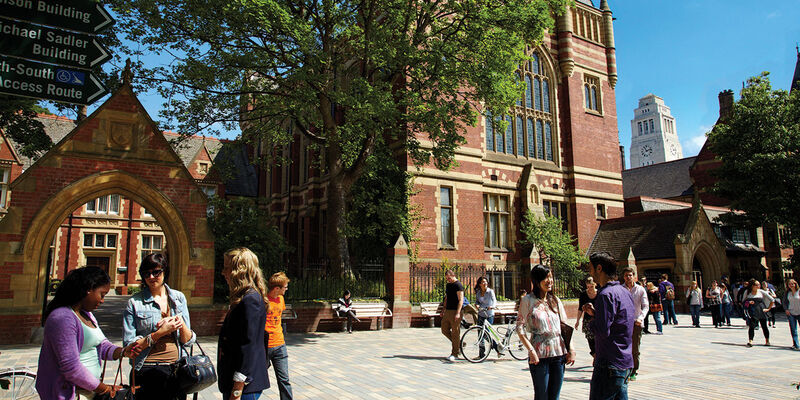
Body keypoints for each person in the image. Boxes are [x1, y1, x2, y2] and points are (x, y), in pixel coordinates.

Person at [37, 267, 139, 400]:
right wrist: (105, 389)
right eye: (102, 294)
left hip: (89, 392)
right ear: (88, 289)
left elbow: (102, 345)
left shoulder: (87, 314)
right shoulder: (62, 318)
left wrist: (123, 352)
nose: (102, 300)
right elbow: (71, 368)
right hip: (71, 393)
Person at [123, 254, 195, 400]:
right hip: (146, 369)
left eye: (156, 272)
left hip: (175, 370)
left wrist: (179, 323)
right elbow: (129, 347)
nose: (151, 277)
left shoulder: (178, 298)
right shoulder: (134, 303)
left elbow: (188, 341)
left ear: (165, 272)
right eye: (146, 274)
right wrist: (160, 333)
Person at [516, 264, 575, 400]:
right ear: (537, 281)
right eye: (546, 278)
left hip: (559, 353)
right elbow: (520, 327)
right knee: (542, 396)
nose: (550, 281)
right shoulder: (528, 300)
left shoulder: (555, 300)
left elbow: (565, 326)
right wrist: (531, 351)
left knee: (555, 396)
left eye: (551, 277)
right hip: (539, 356)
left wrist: (571, 349)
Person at [218, 248, 270, 400]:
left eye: (226, 268)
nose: (223, 272)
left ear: (238, 271)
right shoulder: (245, 298)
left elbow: (250, 345)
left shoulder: (250, 300)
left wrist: (237, 387)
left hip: (245, 386)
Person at [583, 252, 634, 400]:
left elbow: (602, 330)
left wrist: (591, 322)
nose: (590, 272)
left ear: (599, 268)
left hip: (608, 362)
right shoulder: (624, 292)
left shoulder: (605, 294)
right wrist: (596, 314)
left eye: (591, 268)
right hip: (624, 360)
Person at [265, 272, 294, 400]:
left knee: (284, 380)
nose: (286, 289)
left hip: (279, 345)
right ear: (277, 288)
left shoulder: (281, 299)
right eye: (285, 287)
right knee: (254, 377)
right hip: (264, 345)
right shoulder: (263, 300)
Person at [622, 267, 648, 382]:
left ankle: (633, 370)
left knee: (635, 349)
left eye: (630, 275)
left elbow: (645, 306)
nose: (628, 277)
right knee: (623, 347)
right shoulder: (621, 289)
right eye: (626, 275)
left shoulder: (640, 289)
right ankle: (625, 369)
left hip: (636, 323)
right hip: (623, 323)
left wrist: (640, 318)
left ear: (634, 276)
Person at [743, 279, 775, 347]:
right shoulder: (747, 292)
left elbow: (772, 299)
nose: (758, 286)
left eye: (759, 284)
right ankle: (750, 341)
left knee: (764, 326)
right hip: (752, 311)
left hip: (761, 310)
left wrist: (768, 308)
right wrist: (748, 302)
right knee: (751, 326)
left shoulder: (761, 292)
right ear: (752, 286)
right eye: (757, 285)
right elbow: (743, 302)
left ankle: (767, 340)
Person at [440, 269, 464, 361]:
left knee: (455, 332)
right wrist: (443, 309)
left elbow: (461, 300)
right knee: (444, 329)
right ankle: (460, 344)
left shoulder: (458, 285)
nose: (448, 280)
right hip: (448, 310)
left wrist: (458, 313)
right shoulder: (448, 285)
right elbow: (446, 297)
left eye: (449, 278)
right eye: (447, 278)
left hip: (455, 311)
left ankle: (455, 353)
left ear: (453, 275)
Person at [575, 277, 598, 357]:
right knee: (590, 340)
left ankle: (597, 357)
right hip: (587, 320)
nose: (590, 289)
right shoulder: (583, 294)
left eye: (591, 286)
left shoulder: (600, 293)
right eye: (588, 287)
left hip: (597, 319)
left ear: (595, 285)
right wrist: (577, 321)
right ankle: (594, 355)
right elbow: (580, 308)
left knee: (598, 339)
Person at [783, 279, 800, 350]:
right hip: (791, 313)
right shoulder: (787, 293)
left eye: (792, 283)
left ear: (795, 284)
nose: (791, 285)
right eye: (789, 284)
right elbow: (784, 302)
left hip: (799, 312)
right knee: (793, 329)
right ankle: (796, 344)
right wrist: (786, 309)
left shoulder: (799, 291)